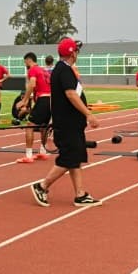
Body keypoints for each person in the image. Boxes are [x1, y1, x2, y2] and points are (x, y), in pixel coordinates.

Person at [31, 38, 101, 207]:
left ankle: (80, 194)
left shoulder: (63, 69)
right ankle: (42, 186)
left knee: (74, 158)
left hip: (71, 123)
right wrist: (89, 114)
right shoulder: (64, 71)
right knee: (69, 157)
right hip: (68, 124)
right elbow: (71, 94)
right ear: (72, 53)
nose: (77, 53)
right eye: (76, 50)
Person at [15, 52, 52, 163]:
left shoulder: (32, 70)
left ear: (28, 60)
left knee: (29, 126)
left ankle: (29, 155)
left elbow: (32, 84)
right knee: (43, 127)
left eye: (25, 62)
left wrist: (24, 101)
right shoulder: (44, 71)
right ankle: (42, 152)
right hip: (50, 100)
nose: (25, 65)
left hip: (43, 100)